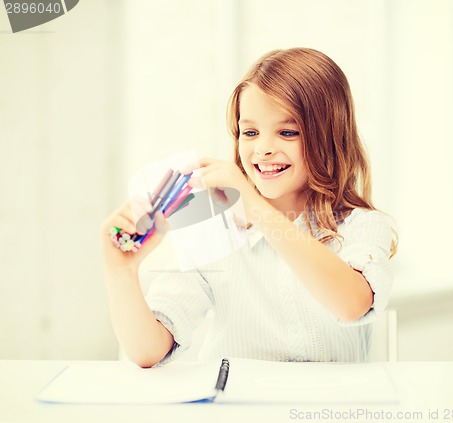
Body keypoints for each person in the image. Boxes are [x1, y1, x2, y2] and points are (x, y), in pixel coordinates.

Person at [101, 48, 397, 368]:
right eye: (250, 132)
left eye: (287, 132)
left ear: (328, 137)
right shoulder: (214, 231)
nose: (263, 149)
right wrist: (122, 272)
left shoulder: (362, 226)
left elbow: (352, 304)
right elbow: (148, 352)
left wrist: (255, 207)